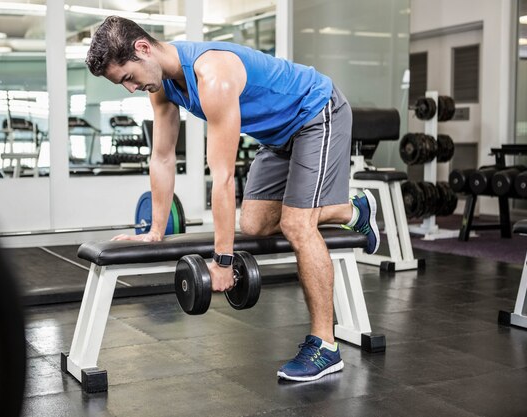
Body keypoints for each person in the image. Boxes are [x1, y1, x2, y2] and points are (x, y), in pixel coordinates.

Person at [85, 16, 380, 382]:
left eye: (127, 77)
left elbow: (223, 178)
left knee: (296, 223)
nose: (130, 88)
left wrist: (222, 261)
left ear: (143, 49)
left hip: (316, 112)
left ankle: (325, 345)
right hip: (277, 137)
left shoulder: (214, 73)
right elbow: (162, 157)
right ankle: (353, 209)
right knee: (254, 225)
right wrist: (154, 232)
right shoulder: (160, 87)